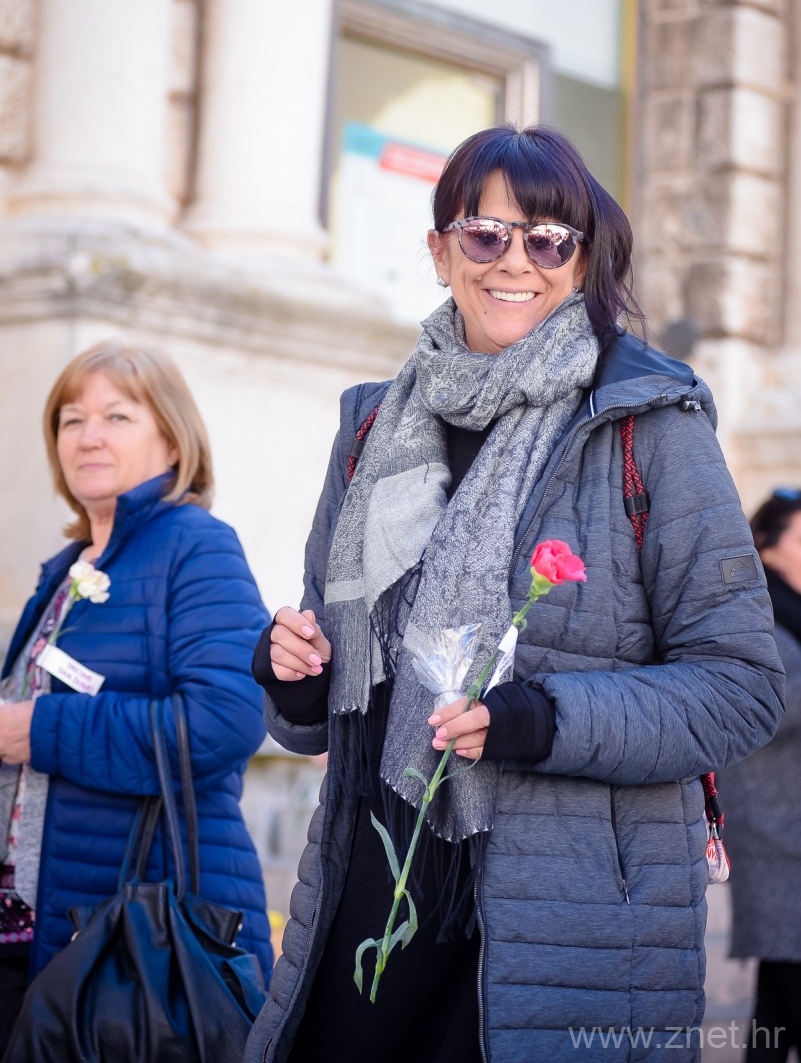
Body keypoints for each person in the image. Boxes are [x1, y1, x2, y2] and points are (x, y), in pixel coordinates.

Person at [245, 125, 784, 1063]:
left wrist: (542, 720)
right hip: (369, 886)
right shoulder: (370, 426)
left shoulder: (649, 425)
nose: (515, 261)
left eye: (547, 239)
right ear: (439, 250)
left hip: (564, 912)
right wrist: (293, 672)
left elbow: (741, 688)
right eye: (485, 233)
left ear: (579, 260)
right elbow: (327, 690)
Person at [0, 341, 273, 1042]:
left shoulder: (196, 545)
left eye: (116, 416)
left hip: (139, 948)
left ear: (172, 439)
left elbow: (225, 719)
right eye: (71, 419)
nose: (87, 436)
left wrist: (38, 730)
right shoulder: (65, 569)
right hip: (35, 931)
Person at [717, 489, 801, 1063]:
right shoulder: (758, 614)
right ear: (767, 546)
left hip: (787, 820)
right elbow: (759, 707)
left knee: (780, 988)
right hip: (775, 827)